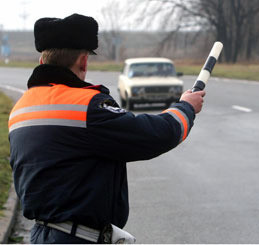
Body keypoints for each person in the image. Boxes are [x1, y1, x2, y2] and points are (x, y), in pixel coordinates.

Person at [8, 13, 206, 244]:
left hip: (41, 235)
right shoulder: (86, 106)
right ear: (83, 61)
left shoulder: (21, 108)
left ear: (42, 62)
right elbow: (154, 134)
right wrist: (186, 108)